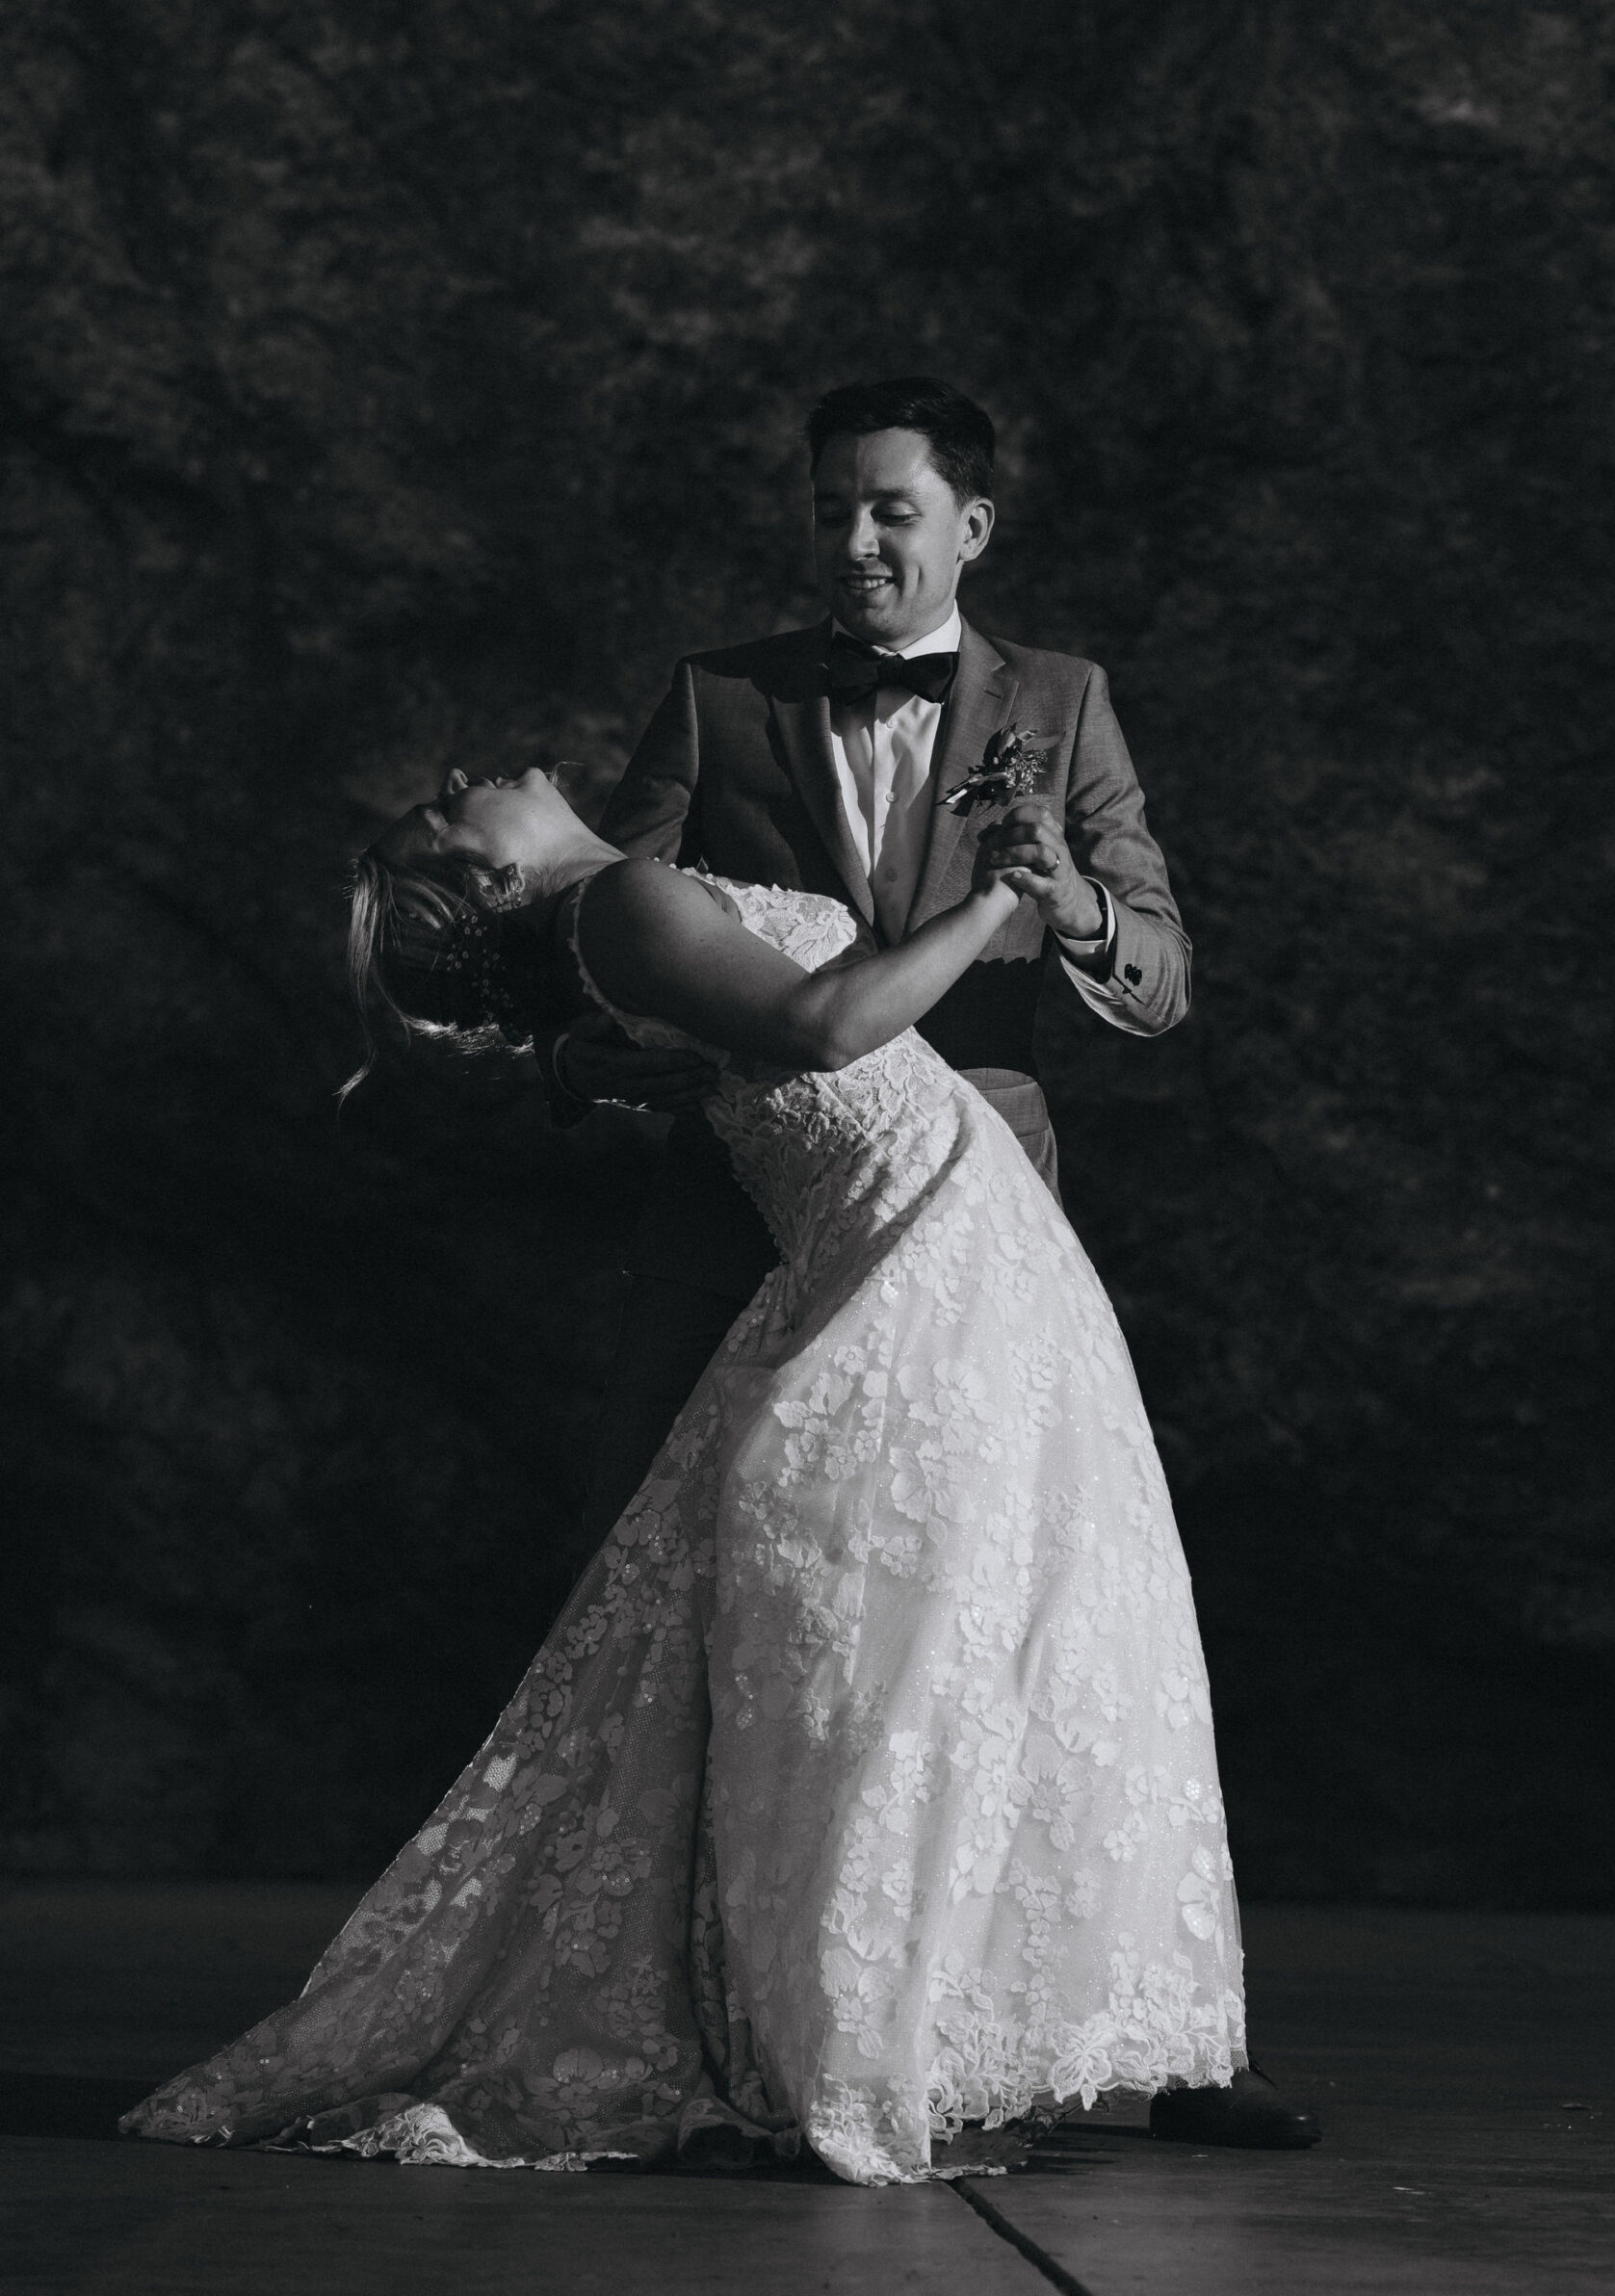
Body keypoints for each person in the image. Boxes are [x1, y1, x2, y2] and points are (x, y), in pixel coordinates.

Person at [121, 764, 1273, 2182]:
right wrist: (998, 894)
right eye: (433, 817)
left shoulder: (624, 904)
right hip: (915, 1254)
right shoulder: (621, 900)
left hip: (968, 1245)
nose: (447, 780)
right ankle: (859, 2034)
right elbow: (830, 1022)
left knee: (984, 1634)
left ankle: (949, 2022)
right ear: (494, 880)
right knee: (924, 1641)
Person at [545, 375, 1315, 2150]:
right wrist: (709, 1058)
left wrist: (1069, 906)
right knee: (749, 1608)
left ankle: (1142, 2031)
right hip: (759, 1211)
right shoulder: (716, 698)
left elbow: (1162, 972)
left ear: (974, 523)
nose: (855, 539)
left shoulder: (1064, 705)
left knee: (1026, 1603)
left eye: (891, 507)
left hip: (976, 1198)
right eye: (829, 507)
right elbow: (595, 961)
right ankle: (739, 2030)